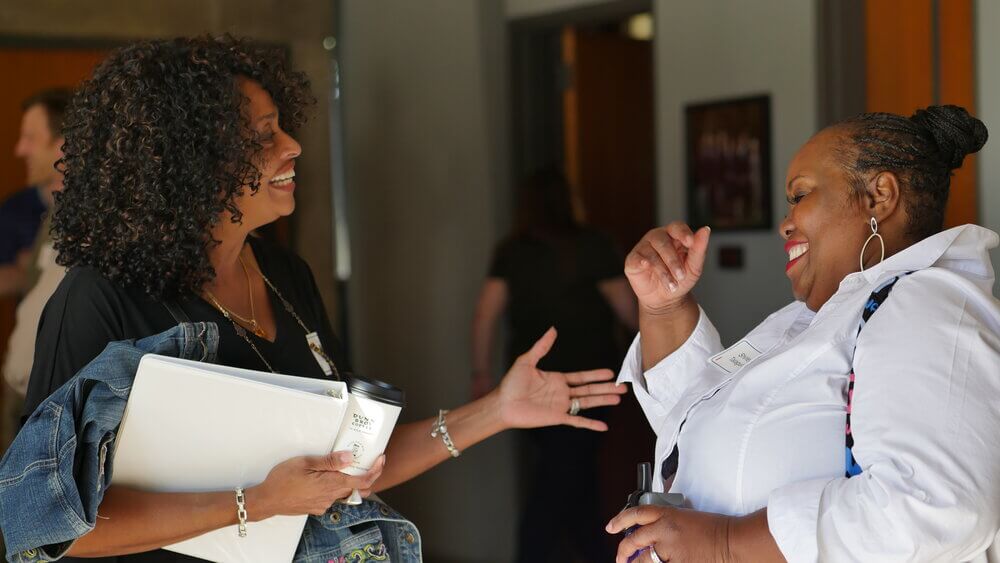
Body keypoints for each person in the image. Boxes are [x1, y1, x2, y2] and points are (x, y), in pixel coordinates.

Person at [20, 36, 626, 562]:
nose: (293, 146)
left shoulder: (286, 276)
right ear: (190, 162)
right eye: (263, 136)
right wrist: (256, 502)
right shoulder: (101, 300)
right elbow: (50, 523)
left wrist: (496, 410)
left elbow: (345, 463)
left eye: (282, 125)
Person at [605, 105, 1000, 562]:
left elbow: (934, 506)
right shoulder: (807, 319)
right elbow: (697, 425)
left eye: (800, 195)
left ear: (879, 196)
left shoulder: (927, 306)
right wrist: (664, 306)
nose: (785, 222)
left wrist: (723, 544)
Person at [471, 170, 637, 563]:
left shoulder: (511, 250)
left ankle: (596, 554)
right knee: (561, 485)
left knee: (571, 481)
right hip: (591, 385)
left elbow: (484, 316)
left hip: (532, 386)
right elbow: (629, 312)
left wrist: (480, 374)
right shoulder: (593, 245)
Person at [0, 88, 71, 453]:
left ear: (62, 146)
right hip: (18, 389)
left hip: (44, 406)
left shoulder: (87, 217)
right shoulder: (53, 212)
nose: (20, 150)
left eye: (31, 138)